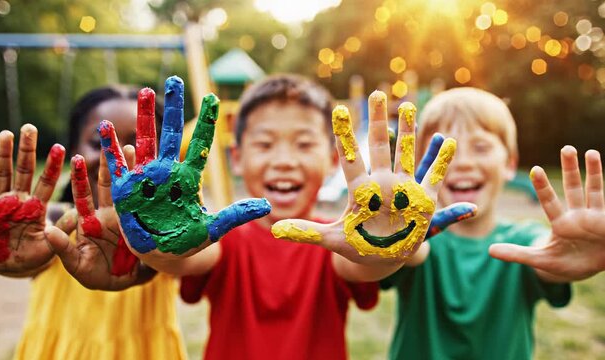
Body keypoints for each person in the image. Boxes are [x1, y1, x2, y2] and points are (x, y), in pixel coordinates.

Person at [95, 74, 462, 360]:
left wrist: (390, 243)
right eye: (265, 143)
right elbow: (178, 257)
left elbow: (364, 264)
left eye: (303, 144)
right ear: (237, 157)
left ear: (334, 160)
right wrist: (156, 235)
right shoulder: (222, 236)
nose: (284, 159)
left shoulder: (337, 239)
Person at [380, 87, 605, 360]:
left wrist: (570, 250)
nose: (463, 162)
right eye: (445, 152)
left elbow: (546, 255)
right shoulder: (418, 241)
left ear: (509, 163)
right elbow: (412, 250)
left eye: (480, 147)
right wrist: (399, 234)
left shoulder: (523, 240)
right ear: (422, 165)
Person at [0, 85, 188, 359]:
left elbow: (203, 254)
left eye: (139, 147)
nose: (117, 158)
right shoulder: (54, 222)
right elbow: (30, 253)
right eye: (100, 143)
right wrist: (8, 258)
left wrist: (161, 245)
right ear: (74, 150)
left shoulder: (170, 230)